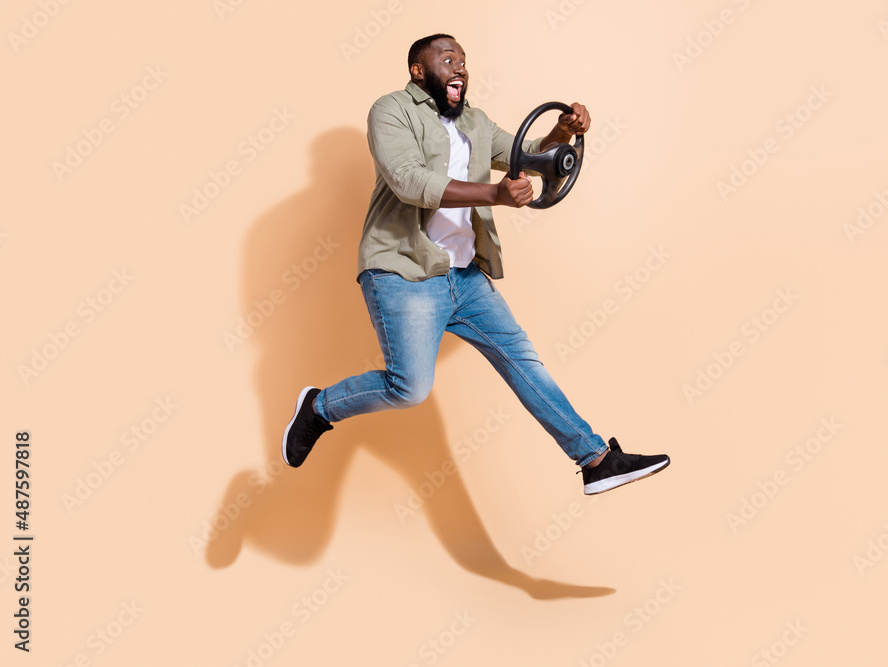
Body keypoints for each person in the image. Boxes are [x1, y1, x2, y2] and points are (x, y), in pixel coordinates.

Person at [281, 34, 669, 495]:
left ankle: (596, 459)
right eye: (448, 59)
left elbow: (531, 157)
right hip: (404, 272)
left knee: (524, 362)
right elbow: (409, 180)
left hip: (464, 276)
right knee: (410, 389)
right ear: (418, 71)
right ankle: (320, 407)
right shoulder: (390, 111)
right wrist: (495, 193)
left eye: (464, 60)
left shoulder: (475, 122)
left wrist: (565, 132)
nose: (460, 67)